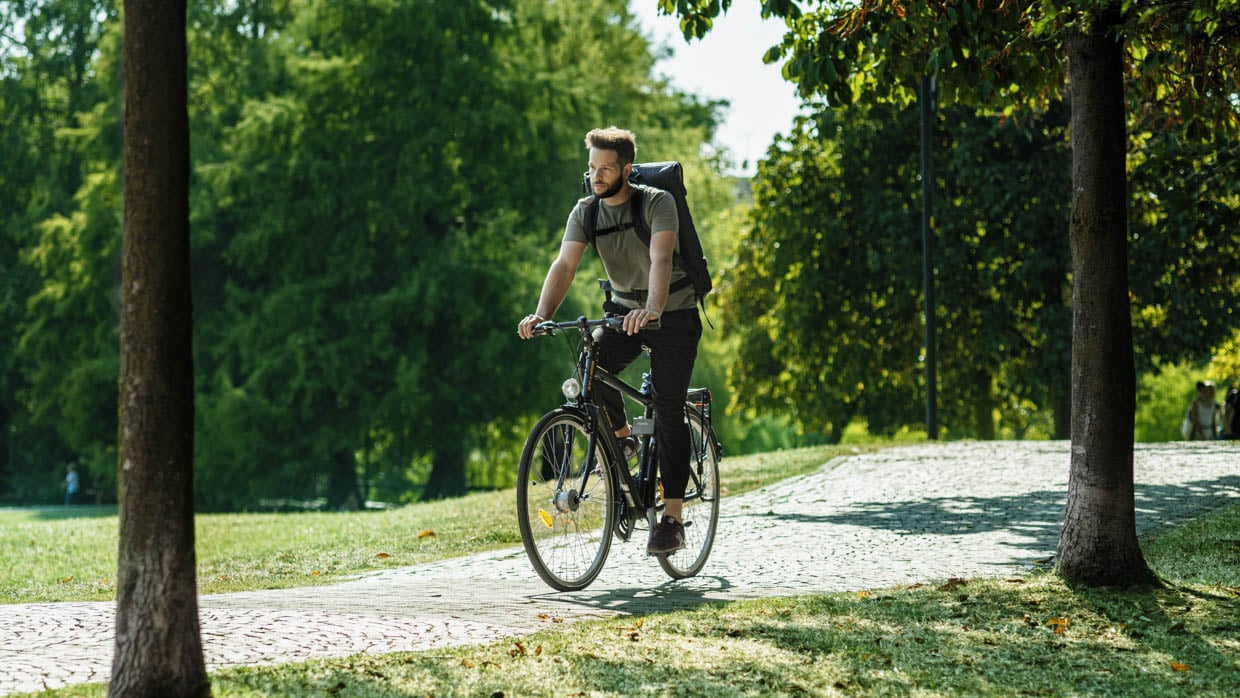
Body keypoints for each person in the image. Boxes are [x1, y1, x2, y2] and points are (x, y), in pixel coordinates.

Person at [518, 127, 702, 556]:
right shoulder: (586, 212)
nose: (596, 176)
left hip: (672, 313)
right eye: (591, 168)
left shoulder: (657, 202)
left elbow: (660, 258)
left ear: (627, 170)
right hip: (623, 312)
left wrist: (654, 308)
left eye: (605, 168)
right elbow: (564, 265)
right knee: (589, 370)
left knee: (668, 407)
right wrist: (541, 315)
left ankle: (672, 519)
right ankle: (621, 437)